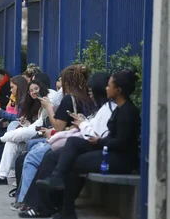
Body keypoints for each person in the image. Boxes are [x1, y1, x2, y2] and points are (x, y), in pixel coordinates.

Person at [31, 70, 140, 219]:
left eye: (109, 86)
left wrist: (99, 141)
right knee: (73, 142)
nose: (106, 89)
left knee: (74, 162)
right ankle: (57, 180)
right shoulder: (119, 108)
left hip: (119, 159)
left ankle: (67, 210)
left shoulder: (127, 112)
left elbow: (122, 142)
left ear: (118, 90)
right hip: (109, 150)